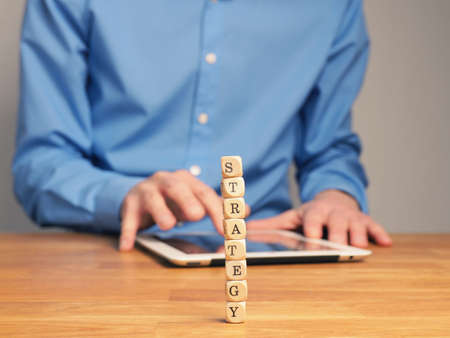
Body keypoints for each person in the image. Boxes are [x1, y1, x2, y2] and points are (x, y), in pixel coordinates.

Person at [13, 0, 392, 252]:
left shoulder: (333, 7)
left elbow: (328, 148)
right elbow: (42, 163)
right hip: (110, 255)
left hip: (265, 252)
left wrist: (335, 197)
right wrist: (122, 196)